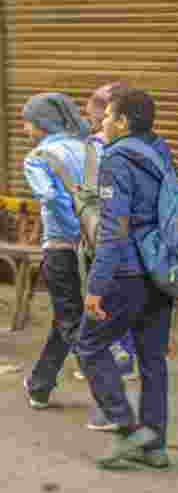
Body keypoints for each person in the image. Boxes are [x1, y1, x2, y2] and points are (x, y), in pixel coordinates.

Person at [77, 87, 176, 470]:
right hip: (160, 269)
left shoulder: (116, 159)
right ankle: (155, 445)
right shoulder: (160, 151)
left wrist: (96, 286)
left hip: (127, 272)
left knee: (89, 344)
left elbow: (113, 230)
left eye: (107, 116)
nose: (101, 122)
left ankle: (126, 426)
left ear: (122, 122)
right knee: (152, 358)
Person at [21, 92, 91, 410]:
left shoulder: (38, 157)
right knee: (67, 317)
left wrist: (73, 227)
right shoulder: (90, 148)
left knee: (71, 321)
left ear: (42, 123)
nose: (25, 129)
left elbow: (50, 197)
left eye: (28, 122)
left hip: (62, 246)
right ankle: (40, 385)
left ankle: (111, 397)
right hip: (96, 245)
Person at [78, 81, 141, 432]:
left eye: (96, 113)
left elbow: (97, 203)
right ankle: (149, 430)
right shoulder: (153, 148)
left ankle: (115, 414)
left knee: (92, 339)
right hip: (148, 258)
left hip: (114, 252)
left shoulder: (99, 148)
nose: (93, 119)